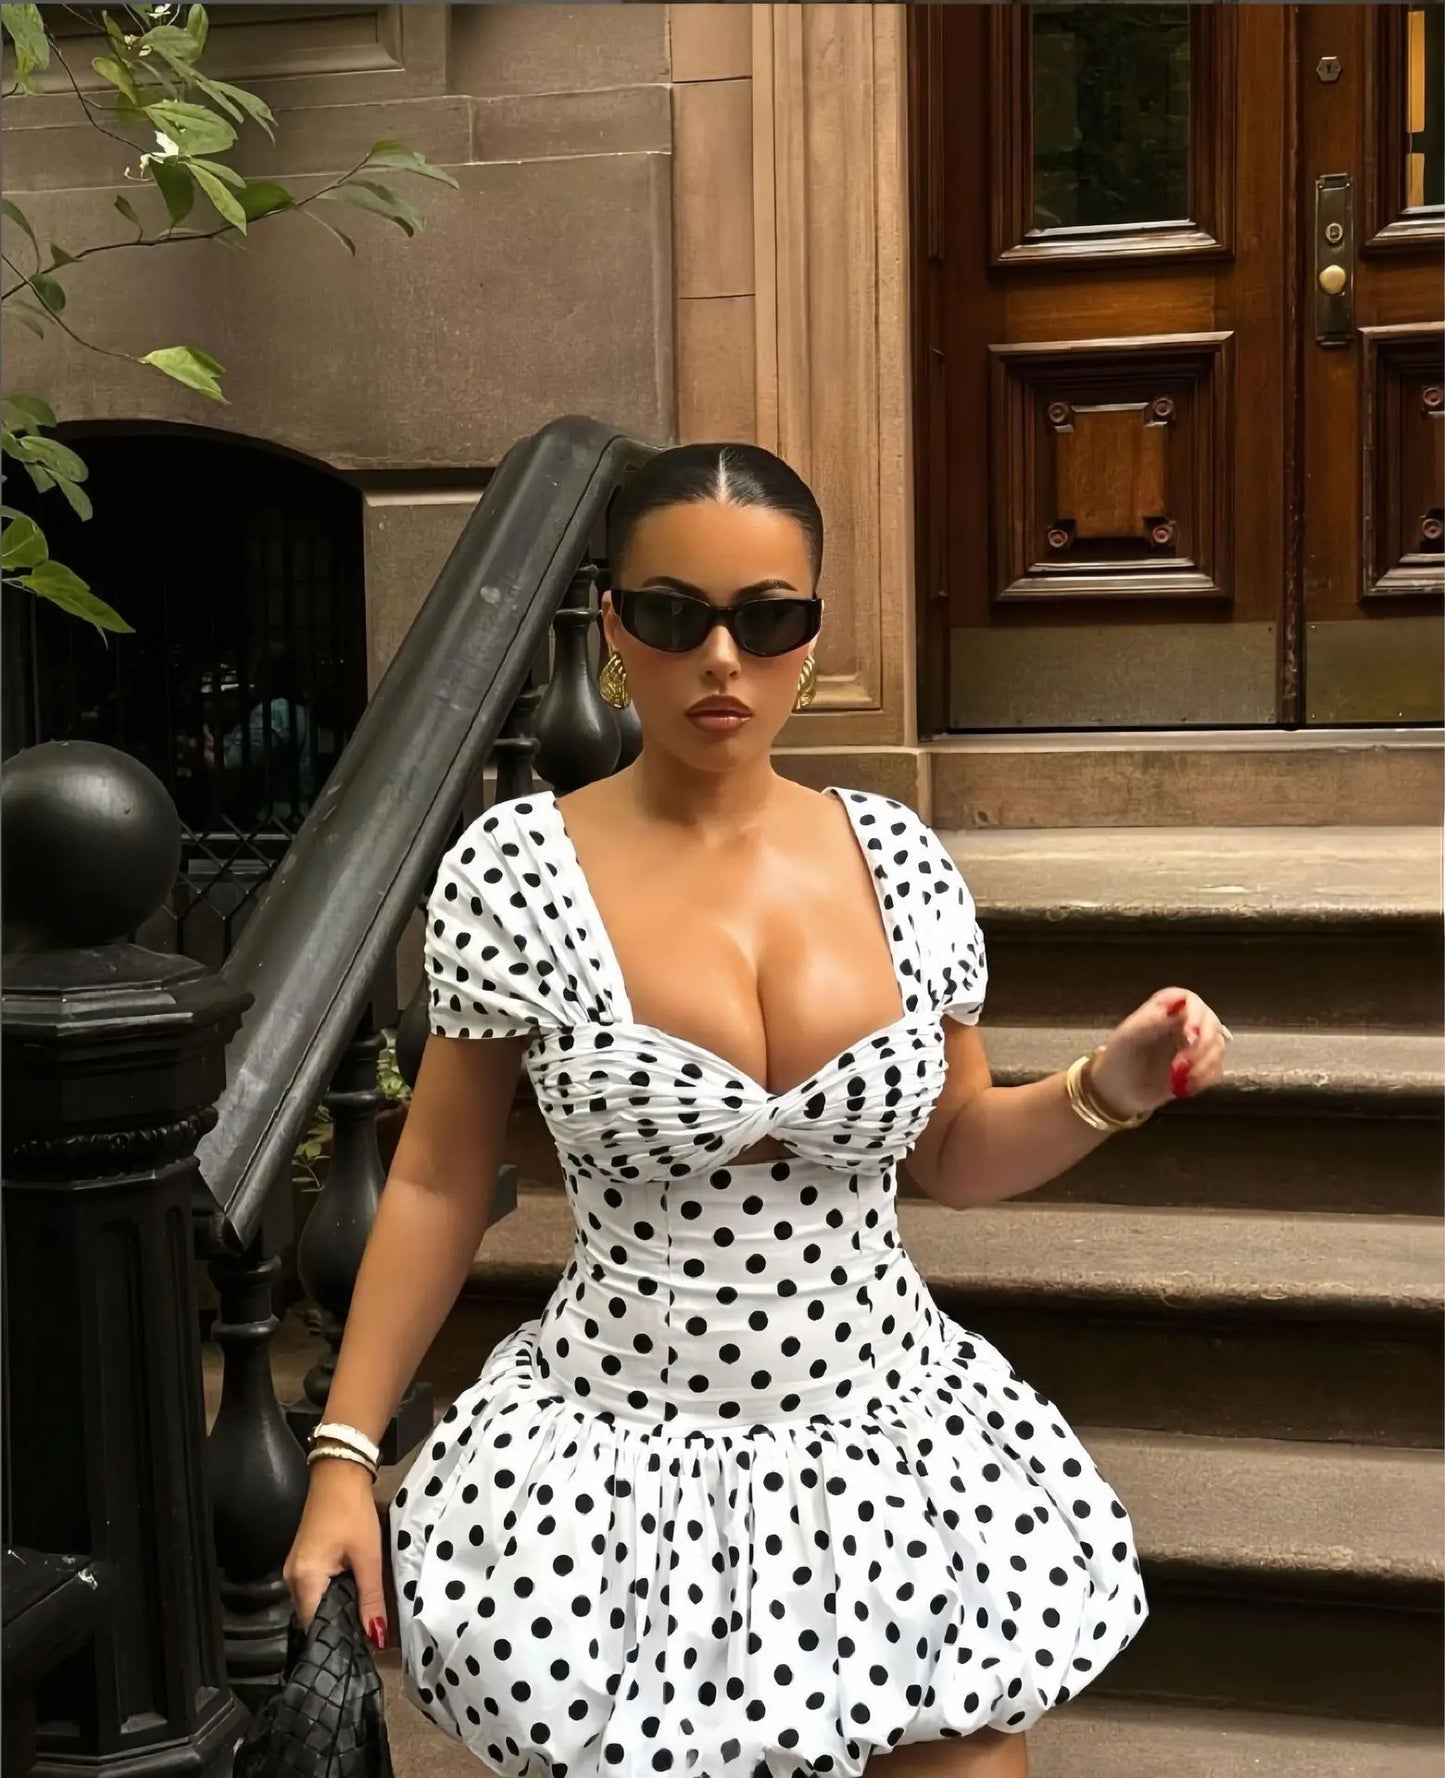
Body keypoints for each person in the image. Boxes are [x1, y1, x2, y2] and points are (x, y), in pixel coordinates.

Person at [284, 443, 1231, 1778]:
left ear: (811, 636)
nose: (720, 658)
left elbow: (956, 1152)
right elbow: (437, 1181)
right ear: (614, 626)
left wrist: (1106, 1087)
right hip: (623, 1478)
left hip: (885, 1445)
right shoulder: (519, 868)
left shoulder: (897, 858)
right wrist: (342, 1451)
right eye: (674, 615)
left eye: (767, 618)